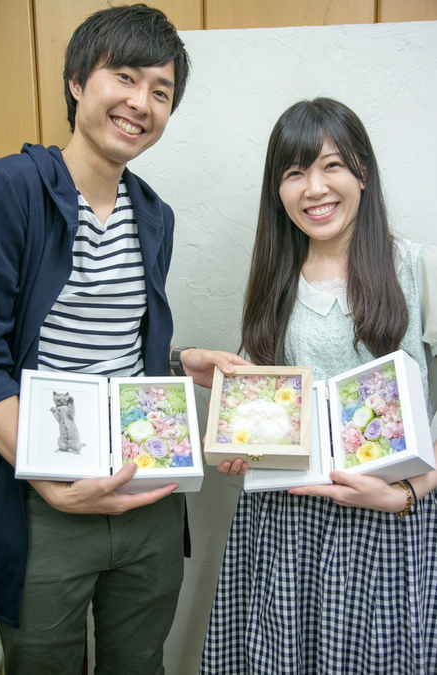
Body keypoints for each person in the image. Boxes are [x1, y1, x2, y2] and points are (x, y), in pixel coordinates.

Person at [0, 5, 247, 674]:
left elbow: (114, 348)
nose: (141, 103)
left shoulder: (154, 214)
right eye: (125, 77)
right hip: (44, 498)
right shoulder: (8, 190)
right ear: (77, 81)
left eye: (161, 91)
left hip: (149, 488)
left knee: (140, 662)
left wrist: (179, 360)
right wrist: (53, 484)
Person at [201, 98, 437, 675]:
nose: (314, 188)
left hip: (388, 519)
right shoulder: (274, 281)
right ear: (277, 190)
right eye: (294, 172)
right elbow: (269, 410)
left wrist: (412, 491)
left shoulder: (415, 267)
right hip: (287, 525)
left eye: (332, 165)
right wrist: (245, 447)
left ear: (363, 172)